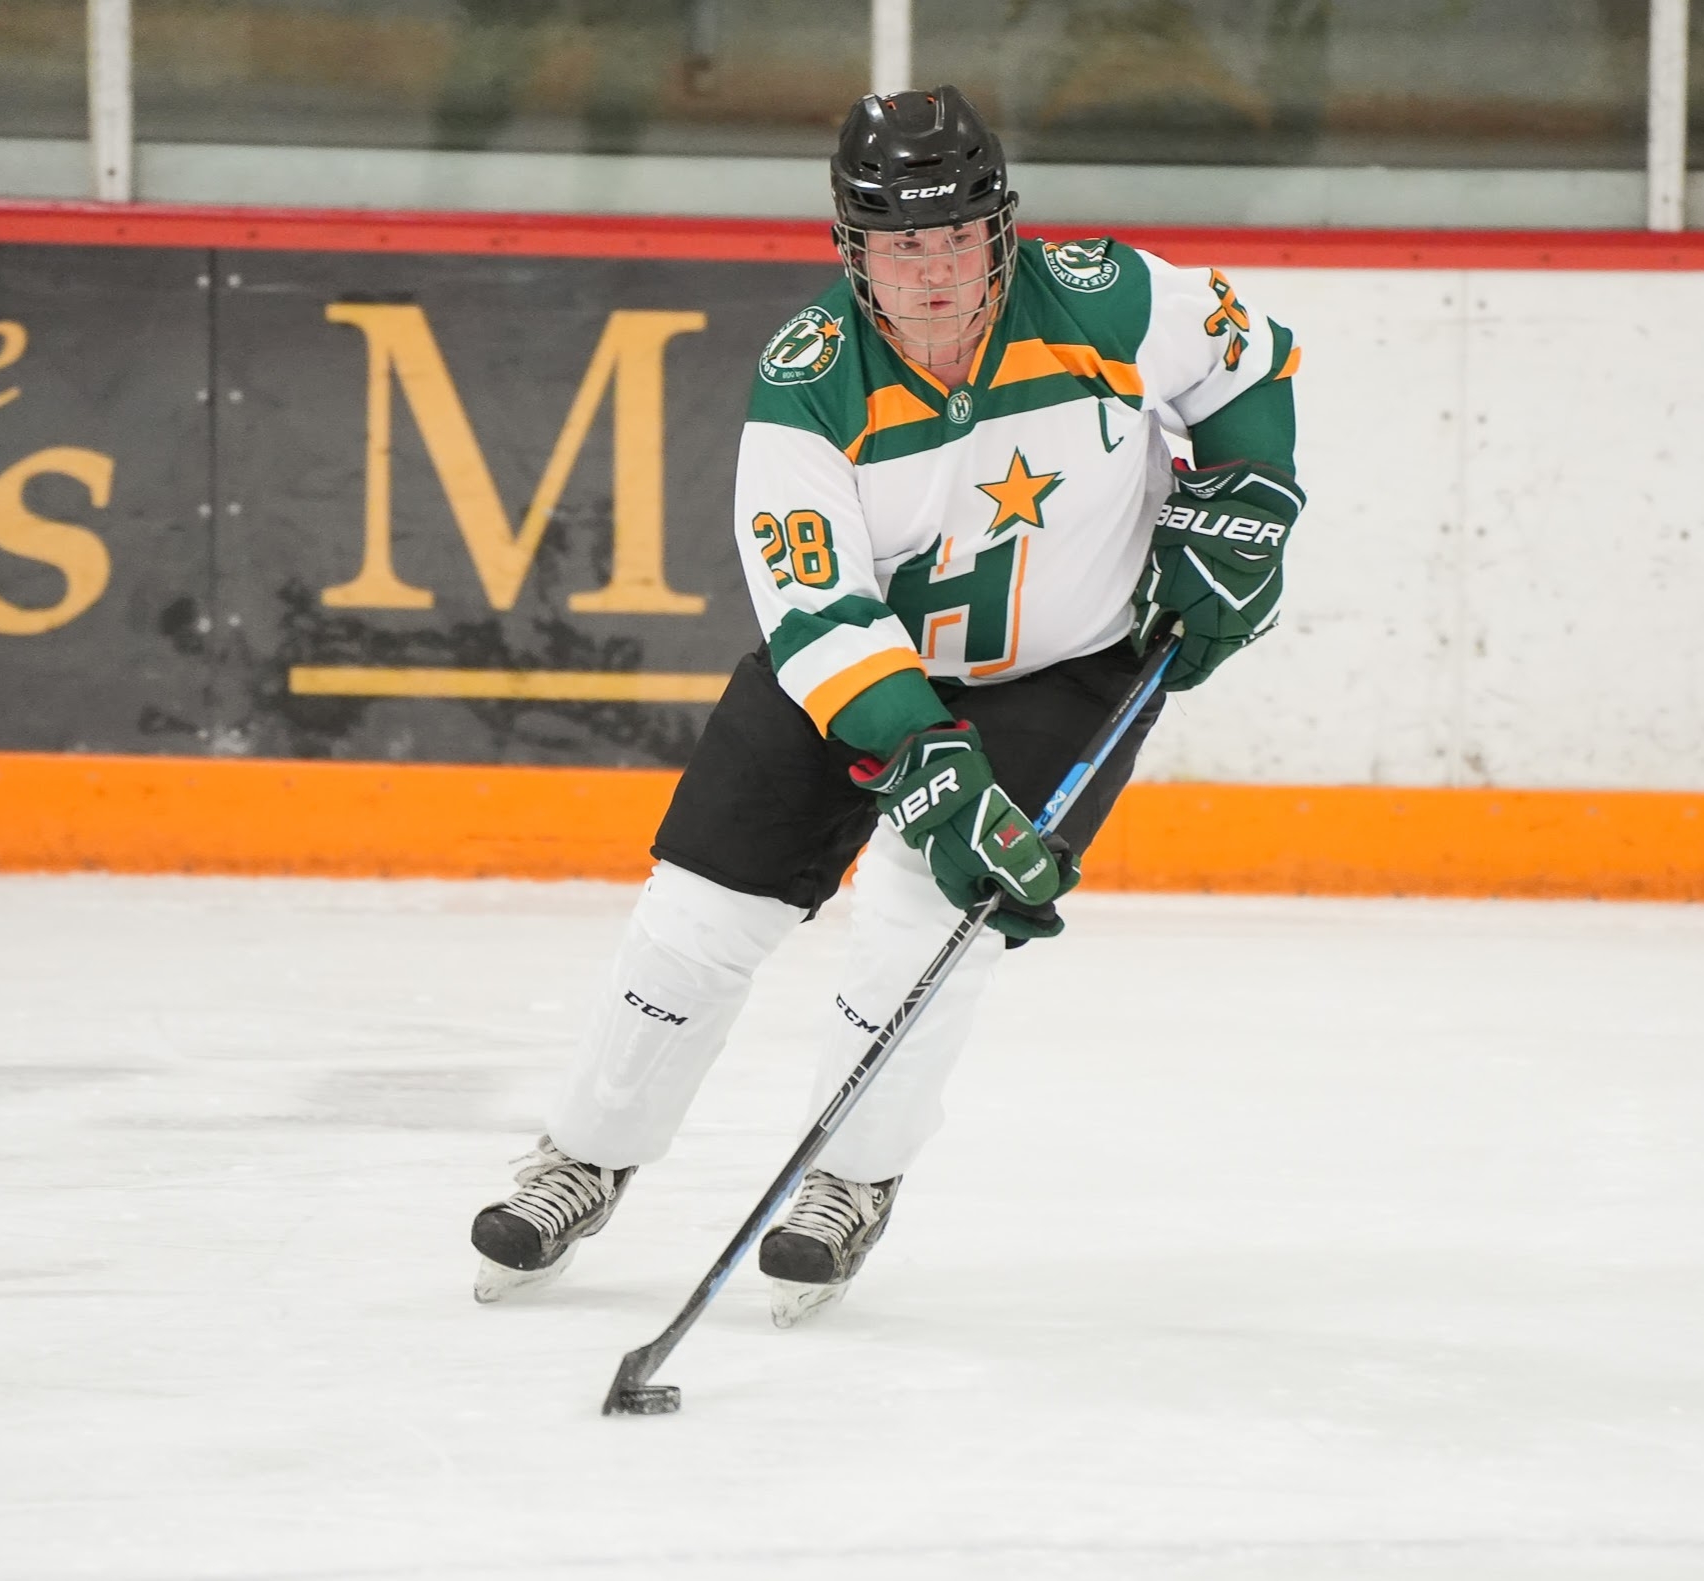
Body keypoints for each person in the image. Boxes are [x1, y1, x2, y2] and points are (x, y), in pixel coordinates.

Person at [471, 85, 1305, 1322]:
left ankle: (847, 1183)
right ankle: (582, 1159)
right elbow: (815, 613)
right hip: (856, 680)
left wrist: (1251, 498)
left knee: (926, 911)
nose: (936, 273)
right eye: (903, 245)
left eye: (959, 237)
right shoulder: (806, 384)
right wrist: (917, 752)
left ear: (1000, 228)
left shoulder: (1106, 294)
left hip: (1060, 673)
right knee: (698, 914)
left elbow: (1248, 359)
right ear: (852, 249)